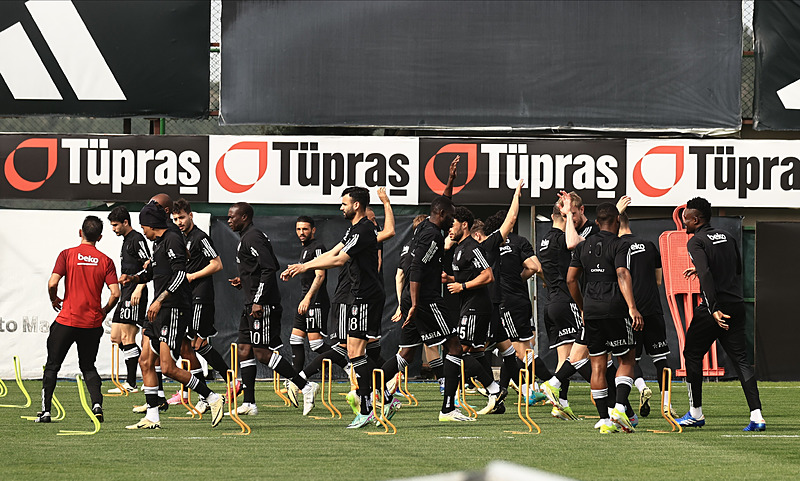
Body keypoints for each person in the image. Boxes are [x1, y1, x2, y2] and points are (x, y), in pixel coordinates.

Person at [282, 187, 391, 428]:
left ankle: (368, 407)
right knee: (356, 352)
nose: (340, 207)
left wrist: (305, 267)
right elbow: (334, 251)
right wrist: (303, 265)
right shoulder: (355, 229)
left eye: (344, 204)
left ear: (357, 206)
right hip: (360, 297)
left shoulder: (363, 229)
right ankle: (382, 398)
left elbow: (339, 259)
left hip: (364, 297)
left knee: (355, 353)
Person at [121, 201, 224, 429]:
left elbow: (179, 276)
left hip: (173, 309)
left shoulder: (173, 239)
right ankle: (152, 416)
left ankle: (212, 397)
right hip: (158, 310)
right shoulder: (158, 243)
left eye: (143, 226)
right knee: (145, 361)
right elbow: (153, 271)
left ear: (150, 224)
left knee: (167, 367)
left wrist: (158, 300)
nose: (142, 231)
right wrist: (135, 278)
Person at [379, 195, 475, 421]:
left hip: (412, 299)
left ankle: (367, 390)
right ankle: (448, 409)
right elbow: (417, 268)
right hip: (425, 299)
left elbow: (442, 202)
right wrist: (414, 303)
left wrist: (450, 181)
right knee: (454, 347)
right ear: (441, 215)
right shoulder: (432, 236)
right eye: (450, 216)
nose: (453, 220)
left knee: (407, 352)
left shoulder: (425, 224)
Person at [677, 197, 765, 431]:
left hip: (714, 308)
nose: (683, 222)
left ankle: (695, 413)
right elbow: (736, 268)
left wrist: (713, 308)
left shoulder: (696, 241)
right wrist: (702, 270)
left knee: (692, 353)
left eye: (685, 218)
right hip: (736, 304)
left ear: (696, 219)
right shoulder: (728, 236)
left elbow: (705, 274)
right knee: (741, 361)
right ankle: (757, 416)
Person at [227, 202, 318, 416]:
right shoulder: (246, 238)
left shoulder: (253, 236)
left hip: (262, 303)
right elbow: (258, 270)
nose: (229, 220)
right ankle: (249, 403)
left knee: (261, 352)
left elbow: (270, 267)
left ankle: (304, 386)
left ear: (245, 217)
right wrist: (245, 280)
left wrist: (258, 299)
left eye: (233, 216)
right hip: (250, 301)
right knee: (244, 349)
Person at [566, 203, 643, 434]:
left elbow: (571, 280)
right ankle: (619, 407)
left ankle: (604, 420)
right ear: (617, 222)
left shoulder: (583, 244)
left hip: (591, 311)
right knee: (627, 360)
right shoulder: (620, 244)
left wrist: (582, 306)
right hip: (615, 309)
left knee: (598, 365)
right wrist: (632, 307)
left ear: (597, 223)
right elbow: (622, 273)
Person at [36, 216, 120, 423]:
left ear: (80, 232)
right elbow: (116, 293)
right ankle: (97, 405)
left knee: (53, 365)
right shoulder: (106, 261)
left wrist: (54, 298)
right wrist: (104, 311)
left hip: (66, 320)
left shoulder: (67, 255)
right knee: (88, 366)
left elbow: (52, 283)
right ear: (100, 237)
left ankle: (46, 412)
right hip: (91, 323)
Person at [444, 206, 507, 415]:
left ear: (464, 225)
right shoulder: (458, 248)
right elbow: (469, 275)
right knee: (476, 352)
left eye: (452, 224)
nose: (449, 229)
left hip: (476, 307)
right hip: (469, 305)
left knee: (458, 350)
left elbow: (488, 275)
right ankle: (496, 399)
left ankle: (494, 389)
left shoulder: (472, 247)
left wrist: (462, 287)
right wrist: (451, 279)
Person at [172, 198, 232, 414]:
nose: (179, 222)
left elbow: (217, 264)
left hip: (200, 296)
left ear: (191, 216)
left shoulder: (200, 237)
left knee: (196, 344)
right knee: (188, 347)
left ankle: (226, 382)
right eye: (175, 218)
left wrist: (192, 276)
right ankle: (205, 391)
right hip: (187, 297)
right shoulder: (179, 238)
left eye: (181, 217)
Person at [617, 207, 673, 418]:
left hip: (631, 311)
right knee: (661, 359)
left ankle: (641, 388)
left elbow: (620, 278)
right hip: (653, 310)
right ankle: (666, 405)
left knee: (630, 361)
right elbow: (658, 280)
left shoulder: (618, 247)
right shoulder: (649, 245)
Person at [107, 206, 149, 394]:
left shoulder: (137, 239)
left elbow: (149, 265)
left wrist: (140, 287)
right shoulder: (126, 241)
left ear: (125, 222)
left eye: (116, 225)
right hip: (126, 291)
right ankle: (145, 367)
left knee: (127, 337)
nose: (113, 229)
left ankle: (132, 382)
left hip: (135, 292)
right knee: (116, 337)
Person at [289, 216, 330, 375]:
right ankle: (296, 381)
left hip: (316, 300)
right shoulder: (305, 249)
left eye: (305, 229)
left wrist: (308, 298)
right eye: (298, 229)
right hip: (305, 299)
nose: (301, 232)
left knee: (317, 345)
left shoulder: (318, 247)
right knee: (295, 339)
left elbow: (320, 275)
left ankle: (350, 366)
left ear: (313, 230)